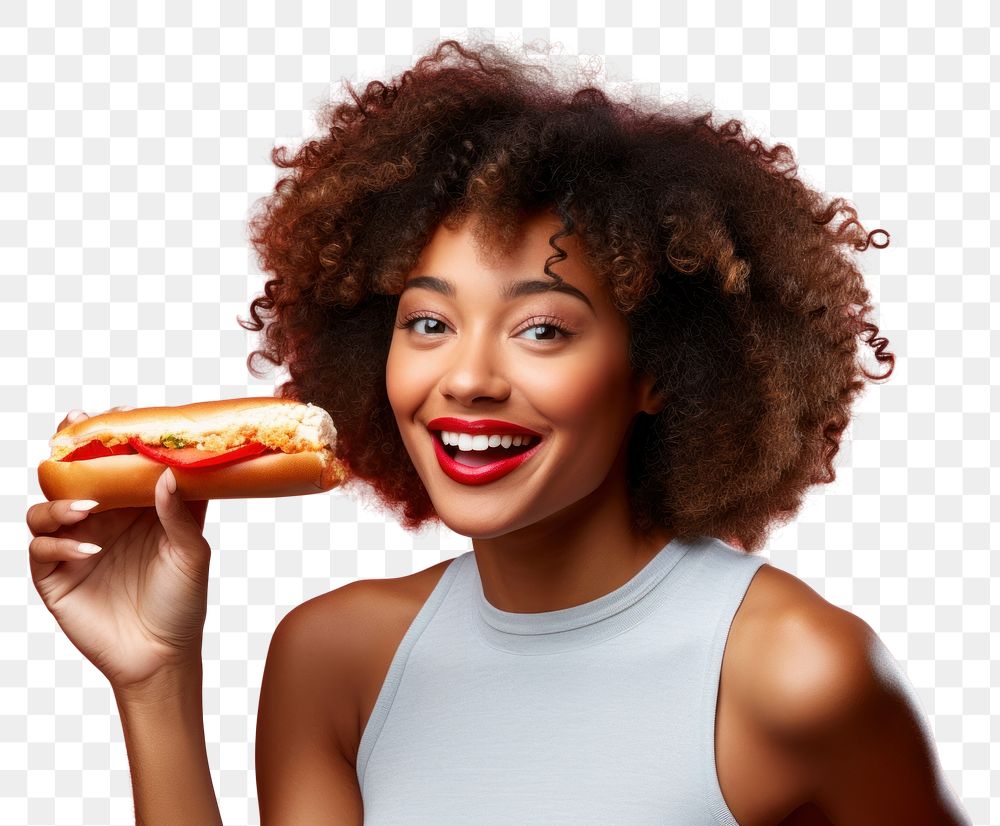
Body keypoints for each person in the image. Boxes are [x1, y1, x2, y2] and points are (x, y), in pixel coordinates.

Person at [27, 38, 970, 825]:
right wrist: (154, 680)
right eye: (428, 323)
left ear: (654, 371)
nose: (467, 379)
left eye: (542, 330)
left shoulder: (796, 673)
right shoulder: (335, 658)